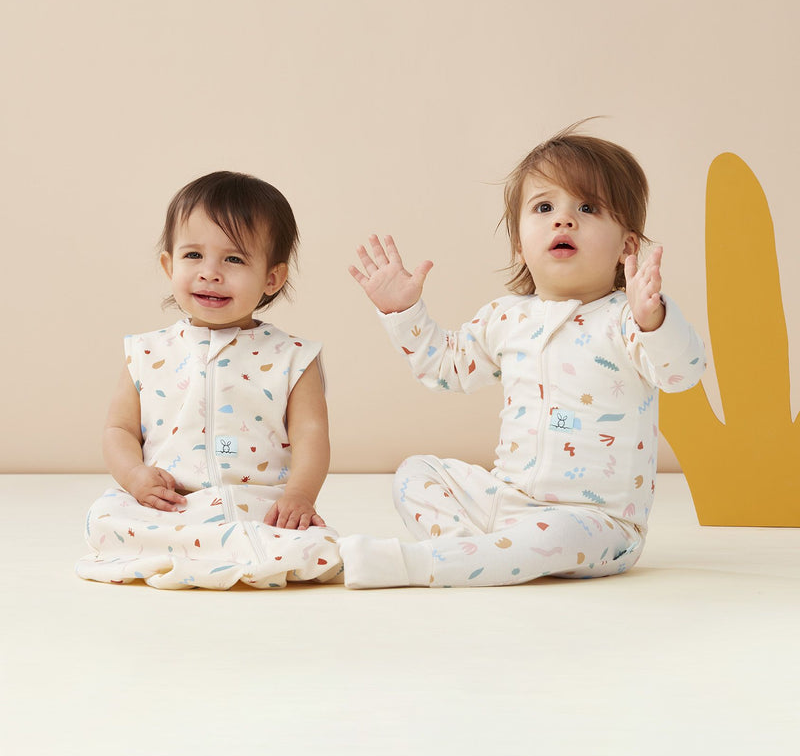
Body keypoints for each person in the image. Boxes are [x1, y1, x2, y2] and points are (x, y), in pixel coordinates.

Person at [341, 121, 706, 588]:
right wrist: (403, 310)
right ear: (519, 244)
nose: (563, 219)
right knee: (416, 473)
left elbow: (682, 373)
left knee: (555, 533)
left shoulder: (626, 319)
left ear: (626, 248)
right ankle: (475, 555)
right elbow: (446, 369)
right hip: (508, 502)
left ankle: (425, 564)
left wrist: (653, 318)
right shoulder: (505, 317)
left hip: (595, 524)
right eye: (545, 207)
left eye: (588, 207)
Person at [76, 171, 341, 589]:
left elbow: (311, 435)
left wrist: (299, 497)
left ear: (272, 278)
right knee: (105, 518)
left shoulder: (293, 356)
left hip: (256, 503)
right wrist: (135, 477)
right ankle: (214, 550)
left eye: (234, 259)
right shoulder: (147, 351)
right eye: (193, 256)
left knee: (314, 545)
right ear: (169, 264)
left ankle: (232, 547)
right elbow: (119, 429)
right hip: (171, 505)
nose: (210, 273)